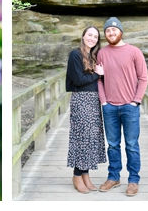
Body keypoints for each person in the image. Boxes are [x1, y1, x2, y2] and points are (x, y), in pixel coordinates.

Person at [97, 17, 148, 197]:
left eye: (114, 30)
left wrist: (136, 100)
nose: (111, 33)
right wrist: (103, 101)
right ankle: (113, 177)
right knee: (112, 145)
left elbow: (143, 78)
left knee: (132, 145)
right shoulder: (102, 53)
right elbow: (99, 79)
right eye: (108, 31)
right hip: (109, 106)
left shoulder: (134, 52)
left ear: (121, 31)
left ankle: (133, 180)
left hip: (130, 106)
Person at [65, 26, 106, 193]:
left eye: (95, 36)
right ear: (83, 36)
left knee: (91, 138)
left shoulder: (92, 56)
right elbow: (78, 79)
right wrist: (98, 74)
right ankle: (76, 175)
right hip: (81, 99)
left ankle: (85, 174)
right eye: (89, 35)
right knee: (81, 137)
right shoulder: (75, 54)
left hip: (93, 101)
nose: (92, 38)